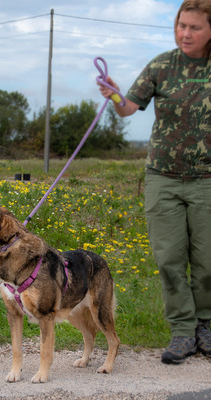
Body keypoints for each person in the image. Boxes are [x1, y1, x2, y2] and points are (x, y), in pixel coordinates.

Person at [99, 0, 211, 364]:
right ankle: (182, 332)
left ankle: (205, 327)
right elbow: (129, 106)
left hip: (207, 179)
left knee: (207, 258)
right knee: (170, 259)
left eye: (194, 27)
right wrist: (115, 94)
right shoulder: (163, 65)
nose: (185, 33)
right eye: (181, 26)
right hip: (162, 177)